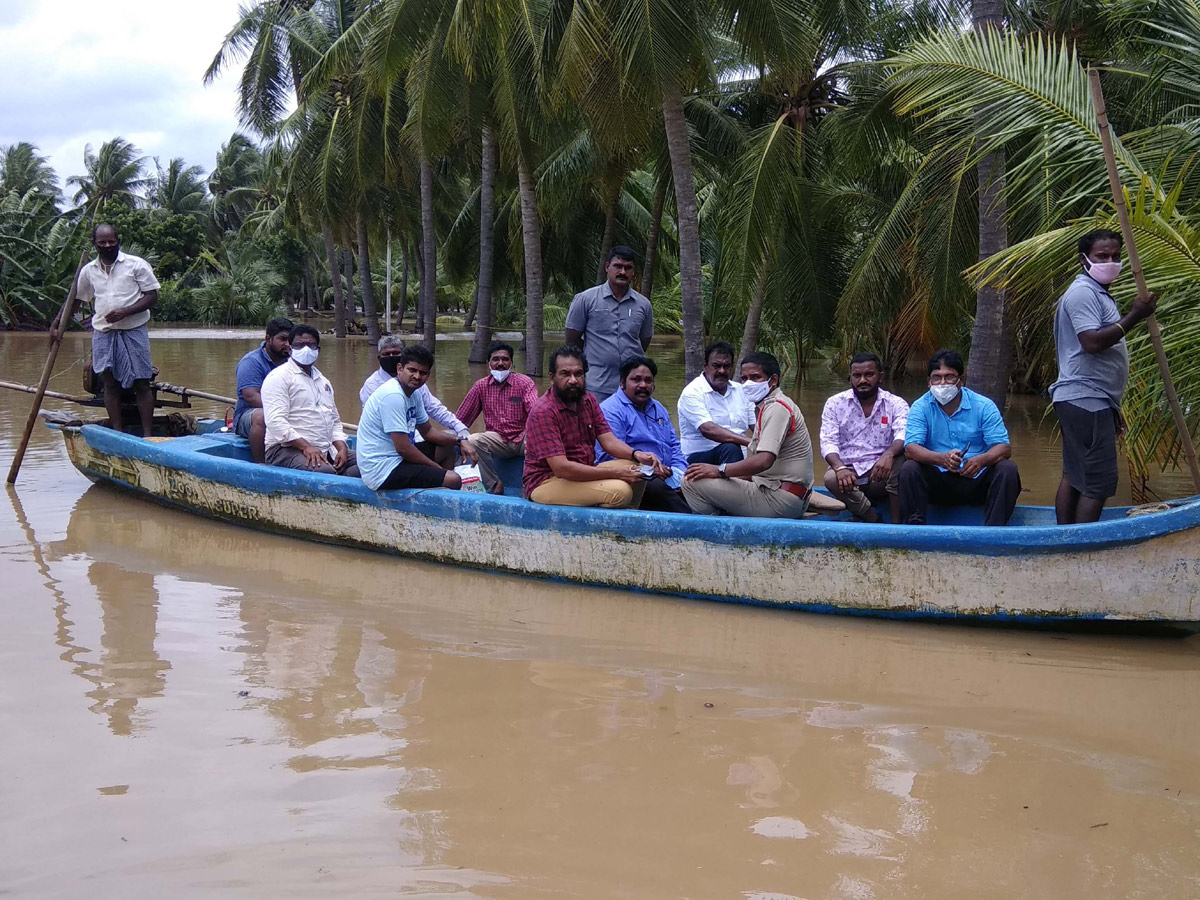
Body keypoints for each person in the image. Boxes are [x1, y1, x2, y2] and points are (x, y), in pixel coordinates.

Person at [1050, 229, 1156, 524]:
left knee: (1075, 475)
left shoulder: (1098, 293)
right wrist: (1135, 316)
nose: (1110, 261)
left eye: (1115, 256)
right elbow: (1092, 342)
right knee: (1097, 481)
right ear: (1084, 260)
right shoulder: (1083, 292)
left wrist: (1111, 407)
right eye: (1102, 256)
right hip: (1085, 397)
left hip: (1093, 399)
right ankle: (1082, 544)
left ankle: (1065, 540)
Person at [682, 352, 821, 519]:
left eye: (755, 377)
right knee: (702, 474)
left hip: (780, 499)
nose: (748, 384)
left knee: (690, 482)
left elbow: (764, 461)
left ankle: (718, 530)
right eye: (744, 378)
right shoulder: (767, 406)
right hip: (782, 492)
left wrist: (719, 470)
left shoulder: (776, 408)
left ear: (773, 380)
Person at [523, 345, 663, 508]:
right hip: (546, 481)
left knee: (639, 469)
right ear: (552, 378)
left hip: (582, 470)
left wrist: (637, 454)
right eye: (565, 374)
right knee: (620, 492)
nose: (573, 380)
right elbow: (561, 468)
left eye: (579, 374)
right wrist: (616, 473)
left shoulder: (588, 400)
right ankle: (606, 527)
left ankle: (625, 523)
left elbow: (609, 442)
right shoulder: (544, 411)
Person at [900, 349, 1021, 526]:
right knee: (909, 469)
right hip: (938, 483)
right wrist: (941, 459)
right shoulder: (920, 407)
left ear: (961, 380)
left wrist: (982, 460)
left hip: (976, 480)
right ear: (928, 382)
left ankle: (994, 529)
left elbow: (1003, 447)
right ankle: (916, 527)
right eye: (937, 377)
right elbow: (911, 448)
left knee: (1007, 469)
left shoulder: (984, 405)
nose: (943, 383)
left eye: (949, 377)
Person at [63, 224, 160, 436]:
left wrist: (125, 312)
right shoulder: (89, 271)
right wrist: (57, 324)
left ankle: (148, 435)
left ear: (118, 241)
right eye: (102, 242)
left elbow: (152, 296)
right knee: (108, 382)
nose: (107, 246)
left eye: (111, 242)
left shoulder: (136, 265)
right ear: (95, 244)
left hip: (133, 329)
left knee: (142, 382)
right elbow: (78, 300)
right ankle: (117, 432)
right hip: (104, 332)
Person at [357, 345, 463, 491]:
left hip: (398, 458)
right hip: (382, 470)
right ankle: (441, 488)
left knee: (447, 447)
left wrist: (460, 441)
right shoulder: (393, 396)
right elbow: (403, 449)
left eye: (423, 373)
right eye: (412, 370)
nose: (417, 377)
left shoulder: (415, 393)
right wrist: (439, 470)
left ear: (428, 375)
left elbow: (428, 431)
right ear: (400, 368)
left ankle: (436, 488)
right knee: (453, 479)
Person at [820, 353, 909, 523]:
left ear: (880, 377)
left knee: (905, 459)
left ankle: (897, 526)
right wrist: (840, 468)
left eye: (869, 374)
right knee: (830, 478)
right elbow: (827, 441)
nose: (862, 380)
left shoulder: (896, 404)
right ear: (850, 378)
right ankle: (871, 517)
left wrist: (889, 454)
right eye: (857, 375)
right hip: (849, 475)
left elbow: (903, 434)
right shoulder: (835, 403)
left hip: (882, 474)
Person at [261, 324, 358, 477]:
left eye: (311, 345)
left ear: (318, 350)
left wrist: (342, 449)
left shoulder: (323, 381)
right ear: (291, 349)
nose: (305, 349)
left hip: (324, 448)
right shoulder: (279, 377)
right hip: (284, 449)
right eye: (299, 345)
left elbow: (334, 421)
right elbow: (276, 422)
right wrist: (306, 447)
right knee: (324, 471)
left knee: (370, 463)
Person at [597, 356, 691, 514]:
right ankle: (694, 525)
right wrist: (649, 470)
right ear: (622, 383)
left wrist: (679, 471)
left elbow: (674, 445)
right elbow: (611, 457)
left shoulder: (658, 407)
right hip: (636, 476)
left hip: (668, 472)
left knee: (703, 468)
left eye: (648, 380)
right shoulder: (611, 410)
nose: (643, 385)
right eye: (636, 379)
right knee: (656, 487)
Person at [360, 335, 473, 466]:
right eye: (387, 354)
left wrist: (460, 431)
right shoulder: (374, 386)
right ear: (379, 358)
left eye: (396, 353)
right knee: (447, 475)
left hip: (416, 439)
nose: (391, 356)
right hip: (388, 449)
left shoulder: (415, 383)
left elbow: (434, 409)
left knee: (451, 442)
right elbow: (398, 442)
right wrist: (434, 468)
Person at [564, 246, 653, 402]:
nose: (623, 272)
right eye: (618, 266)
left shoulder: (643, 305)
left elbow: (643, 341)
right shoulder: (586, 299)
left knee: (632, 425)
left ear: (633, 272)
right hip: (596, 385)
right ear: (607, 267)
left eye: (628, 268)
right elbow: (572, 340)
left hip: (633, 386)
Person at [455, 341, 539, 494]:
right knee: (473, 440)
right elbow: (460, 420)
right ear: (489, 363)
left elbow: (536, 414)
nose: (500, 363)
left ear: (511, 363)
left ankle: (529, 487)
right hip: (498, 439)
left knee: (538, 439)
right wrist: (459, 440)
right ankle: (494, 484)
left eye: (505, 359)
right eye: (496, 359)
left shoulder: (525, 383)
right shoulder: (481, 386)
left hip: (523, 437)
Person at [677, 341, 754, 465]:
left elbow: (756, 426)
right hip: (698, 459)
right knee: (731, 448)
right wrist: (750, 442)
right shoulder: (692, 392)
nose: (722, 371)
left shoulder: (741, 390)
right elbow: (708, 430)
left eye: (727, 366)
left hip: (737, 460)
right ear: (705, 366)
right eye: (716, 366)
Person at [232, 317, 293, 462]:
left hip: (286, 410)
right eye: (282, 339)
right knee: (263, 417)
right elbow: (251, 397)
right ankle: (260, 464)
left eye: (290, 340)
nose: (287, 344)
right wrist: (283, 412)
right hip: (249, 415)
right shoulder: (252, 362)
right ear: (268, 339)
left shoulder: (294, 362)